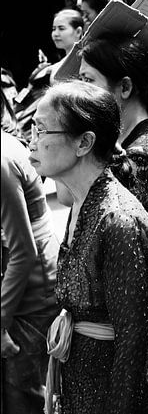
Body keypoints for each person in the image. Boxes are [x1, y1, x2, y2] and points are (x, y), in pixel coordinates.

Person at [31, 81, 148, 414]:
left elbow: (133, 341)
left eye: (41, 131)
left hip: (118, 390)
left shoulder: (118, 222)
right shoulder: (81, 200)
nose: (32, 142)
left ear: (84, 142)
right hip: (87, 378)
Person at [76, 34, 148, 413]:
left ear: (124, 88)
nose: (79, 92)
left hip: (132, 326)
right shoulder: (124, 146)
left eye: (88, 81)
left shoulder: (143, 159)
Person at [1, 106, 59, 414]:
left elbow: (23, 252)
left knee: (23, 400)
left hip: (29, 299)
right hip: (19, 295)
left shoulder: (2, 161)